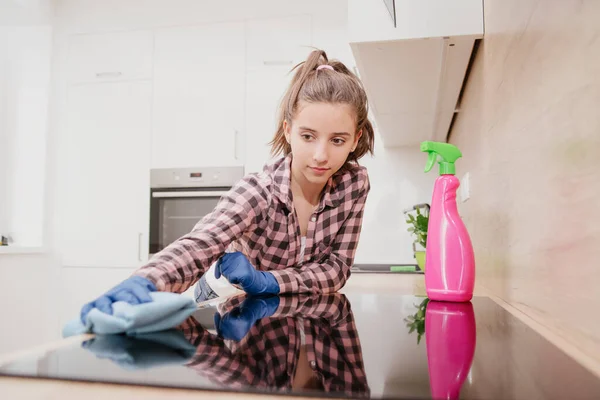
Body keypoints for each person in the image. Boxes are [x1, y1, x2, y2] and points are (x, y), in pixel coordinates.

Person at [80, 49, 375, 323]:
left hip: (307, 326)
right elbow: (202, 243)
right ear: (288, 130)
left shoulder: (354, 185)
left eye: (337, 140)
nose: (321, 155)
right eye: (308, 136)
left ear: (355, 138)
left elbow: (336, 270)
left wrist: (268, 281)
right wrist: (146, 281)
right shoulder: (259, 192)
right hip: (242, 319)